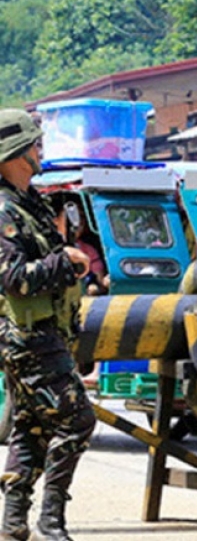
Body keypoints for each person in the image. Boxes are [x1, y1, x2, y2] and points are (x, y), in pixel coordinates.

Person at [0, 109, 95, 541]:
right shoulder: (3, 209)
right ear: (17, 153)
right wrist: (67, 261)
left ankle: (13, 523)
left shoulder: (28, 202)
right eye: (35, 144)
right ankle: (51, 523)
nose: (41, 151)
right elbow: (14, 277)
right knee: (76, 420)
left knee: (31, 424)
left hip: (43, 331)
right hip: (26, 336)